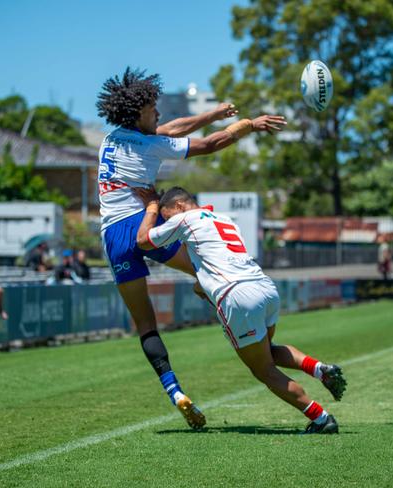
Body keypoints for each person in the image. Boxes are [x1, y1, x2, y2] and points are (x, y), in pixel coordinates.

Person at [96, 67, 286, 429]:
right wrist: (247, 125)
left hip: (114, 237)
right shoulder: (150, 144)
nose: (159, 114)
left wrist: (213, 114)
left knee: (146, 325)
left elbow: (171, 130)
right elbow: (209, 145)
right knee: (205, 270)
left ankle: (175, 392)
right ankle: (240, 319)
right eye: (153, 109)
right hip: (145, 226)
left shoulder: (111, 139)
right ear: (139, 113)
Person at [136, 187, 346, 434]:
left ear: (180, 206)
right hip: (264, 287)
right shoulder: (224, 219)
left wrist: (151, 208)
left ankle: (321, 419)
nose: (169, 222)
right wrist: (203, 284)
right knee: (266, 350)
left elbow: (142, 240)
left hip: (238, 296)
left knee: (263, 369)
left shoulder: (184, 218)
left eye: (168, 215)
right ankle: (319, 369)